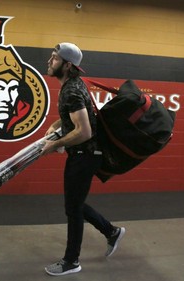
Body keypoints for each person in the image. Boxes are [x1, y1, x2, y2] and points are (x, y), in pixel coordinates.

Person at [41, 42, 125, 276]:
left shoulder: (72, 90)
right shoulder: (71, 86)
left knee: (73, 208)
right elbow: (77, 119)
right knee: (74, 205)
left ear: (67, 66)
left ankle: (71, 261)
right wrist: (55, 124)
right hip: (83, 155)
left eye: (55, 59)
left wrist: (55, 145)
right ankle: (111, 232)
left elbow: (85, 131)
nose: (49, 62)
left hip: (85, 155)